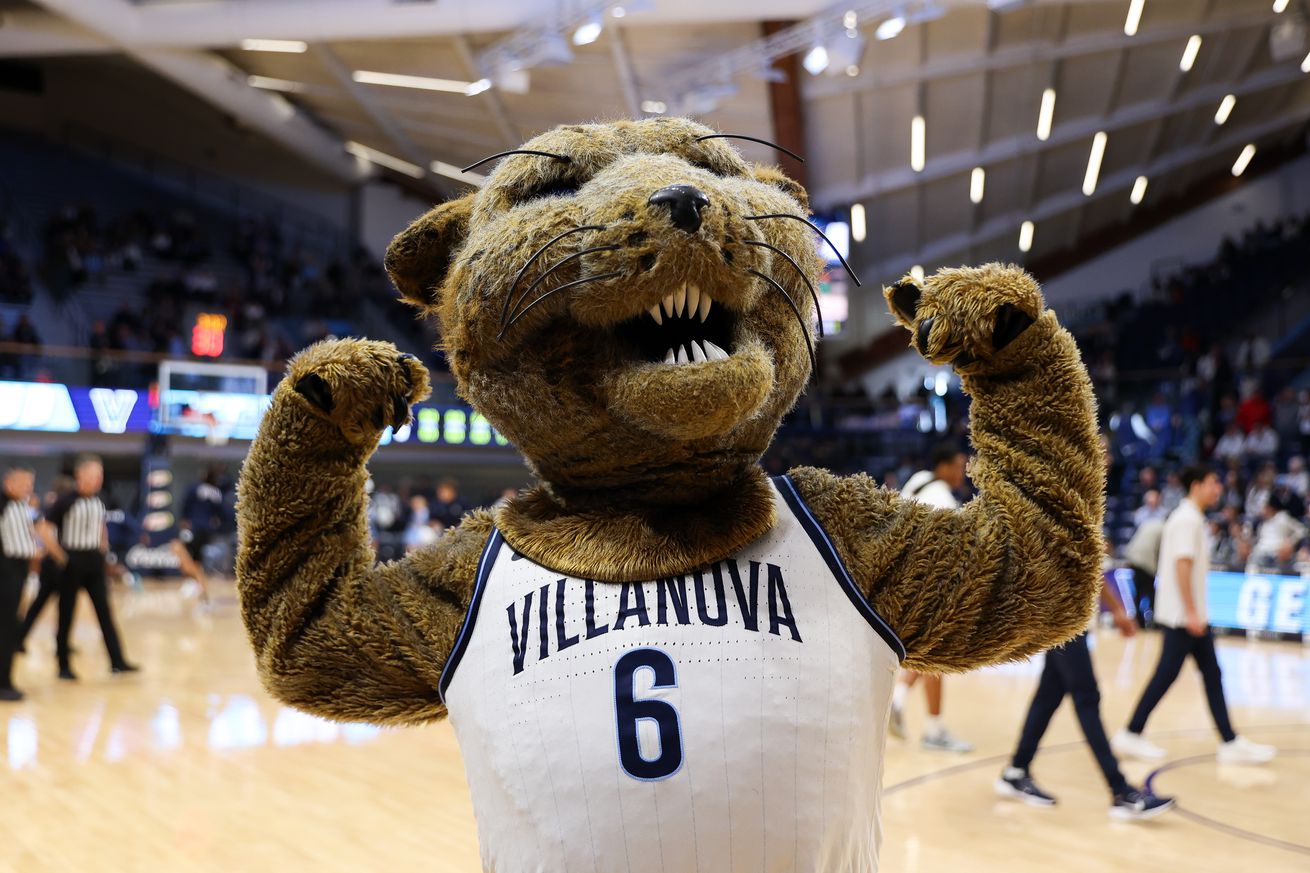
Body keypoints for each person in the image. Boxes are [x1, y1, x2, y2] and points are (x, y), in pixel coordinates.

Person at [1113, 465, 1275, 765]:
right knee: (1167, 675)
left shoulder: (1190, 518)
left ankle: (1229, 741)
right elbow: (1182, 565)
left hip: (1190, 615)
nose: (1218, 489)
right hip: (1182, 617)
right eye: (1214, 483)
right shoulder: (1186, 520)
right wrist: (1191, 612)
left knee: (1211, 674)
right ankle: (1131, 732)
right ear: (1197, 485)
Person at [996, 560, 1174, 820]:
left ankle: (1016, 770)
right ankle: (1120, 791)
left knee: (1048, 698)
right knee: (1087, 698)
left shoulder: (1079, 524)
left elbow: (1090, 567)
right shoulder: (1058, 522)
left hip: (1068, 622)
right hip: (1063, 623)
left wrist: (1116, 609)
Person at [889, 443, 973, 753]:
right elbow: (957, 550)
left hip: (901, 581)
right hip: (928, 585)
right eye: (959, 466)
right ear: (944, 467)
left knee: (927, 652)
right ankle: (931, 728)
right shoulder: (943, 499)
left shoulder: (918, 480)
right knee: (936, 653)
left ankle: (902, 704)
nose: (962, 473)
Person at [47, 455, 138, 680]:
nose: (98, 480)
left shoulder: (99, 501)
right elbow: (45, 528)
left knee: (105, 613)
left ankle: (118, 661)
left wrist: (104, 550)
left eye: (100, 475)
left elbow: (101, 528)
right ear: (80, 475)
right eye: (94, 475)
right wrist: (60, 556)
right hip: (72, 560)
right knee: (66, 613)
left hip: (94, 561)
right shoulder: (66, 500)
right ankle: (63, 665)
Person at [1, 465, 50, 701]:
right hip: (6, 571)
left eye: (31, 483)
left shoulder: (23, 506)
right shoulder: (4, 506)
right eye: (24, 483)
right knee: (7, 627)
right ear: (9, 483)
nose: (29, 487)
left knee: (11, 626)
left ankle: (6, 680)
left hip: (18, 570)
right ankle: (3, 683)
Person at [1123, 516, 1163, 627]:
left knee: (1138, 593)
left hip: (1133, 558)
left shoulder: (1150, 522)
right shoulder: (1164, 529)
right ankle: (1155, 622)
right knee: (1152, 594)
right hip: (1146, 562)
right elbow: (1162, 551)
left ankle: (1138, 621)